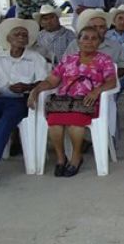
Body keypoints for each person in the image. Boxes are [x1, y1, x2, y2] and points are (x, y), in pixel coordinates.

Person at [28, 26, 117, 178]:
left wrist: (96, 91)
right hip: (64, 102)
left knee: (76, 122)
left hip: (88, 103)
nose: (89, 42)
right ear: (78, 41)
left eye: (94, 38)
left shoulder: (104, 60)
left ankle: (76, 157)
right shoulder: (68, 59)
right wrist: (35, 90)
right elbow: (52, 81)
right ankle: (61, 158)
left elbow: (112, 82)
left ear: (99, 42)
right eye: (85, 38)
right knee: (54, 122)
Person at [0, 19, 47, 185]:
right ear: (8, 39)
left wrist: (27, 86)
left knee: (6, 121)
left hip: (20, 100)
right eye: (17, 34)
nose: (21, 37)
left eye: (24, 35)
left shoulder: (35, 58)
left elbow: (45, 82)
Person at [65, 9, 124, 74]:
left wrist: (109, 76)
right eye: (94, 27)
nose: (98, 30)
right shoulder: (75, 44)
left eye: (101, 27)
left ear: (106, 29)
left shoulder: (115, 46)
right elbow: (64, 64)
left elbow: (123, 66)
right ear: (87, 28)